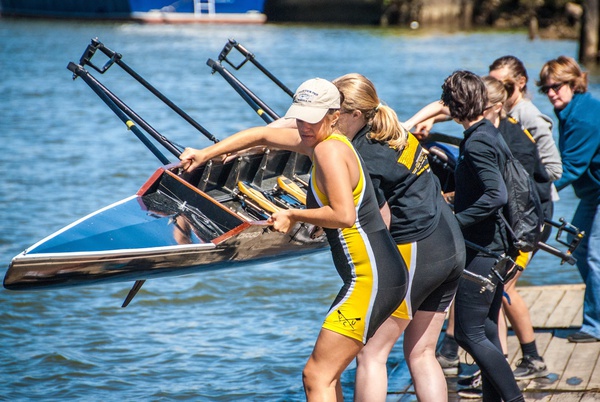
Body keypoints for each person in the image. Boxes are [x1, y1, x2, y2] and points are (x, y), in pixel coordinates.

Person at [179, 78, 409, 401]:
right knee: (326, 375)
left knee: (316, 376)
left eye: (311, 118)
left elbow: (344, 215)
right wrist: (206, 154)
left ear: (334, 114)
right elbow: (260, 135)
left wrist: (295, 216)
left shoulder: (328, 150)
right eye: (300, 116)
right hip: (379, 274)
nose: (303, 125)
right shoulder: (325, 141)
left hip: (371, 278)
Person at [332, 73, 465, 402]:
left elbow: (385, 219)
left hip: (420, 249)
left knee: (371, 354)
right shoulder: (393, 131)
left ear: (355, 115)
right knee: (421, 354)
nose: (329, 120)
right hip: (450, 243)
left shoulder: (362, 153)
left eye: (335, 112)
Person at [440, 70, 524, 402]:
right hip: (494, 245)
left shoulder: (477, 142)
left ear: (454, 104)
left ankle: (515, 399)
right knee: (487, 329)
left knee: (467, 333)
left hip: (485, 249)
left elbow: (496, 195)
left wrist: (457, 222)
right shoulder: (487, 131)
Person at [538, 56, 600, 343]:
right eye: (546, 88)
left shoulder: (584, 115)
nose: (551, 93)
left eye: (557, 86)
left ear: (574, 84)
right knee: (576, 244)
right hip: (592, 194)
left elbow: (572, 167)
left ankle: (594, 326)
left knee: (594, 256)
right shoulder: (571, 110)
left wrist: (535, 194)